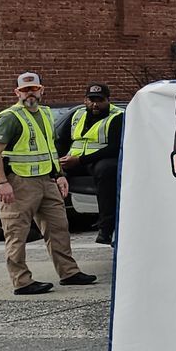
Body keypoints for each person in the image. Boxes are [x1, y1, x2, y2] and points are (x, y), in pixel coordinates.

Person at [0, 72, 96, 296]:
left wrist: (59, 174)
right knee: (16, 232)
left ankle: (69, 272)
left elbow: (50, 149)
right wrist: (1, 183)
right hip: (20, 182)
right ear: (17, 93)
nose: (30, 94)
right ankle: (22, 281)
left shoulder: (45, 114)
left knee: (59, 228)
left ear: (41, 90)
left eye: (34, 89)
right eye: (25, 90)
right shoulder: (9, 117)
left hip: (47, 179)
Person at [56, 83, 123, 245]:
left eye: (99, 100)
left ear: (108, 100)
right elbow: (62, 141)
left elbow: (114, 148)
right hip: (74, 161)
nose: (95, 104)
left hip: (97, 160)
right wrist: (59, 166)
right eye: (91, 99)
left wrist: (80, 160)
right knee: (48, 175)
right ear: (85, 100)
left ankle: (106, 229)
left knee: (107, 169)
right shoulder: (77, 114)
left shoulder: (117, 116)